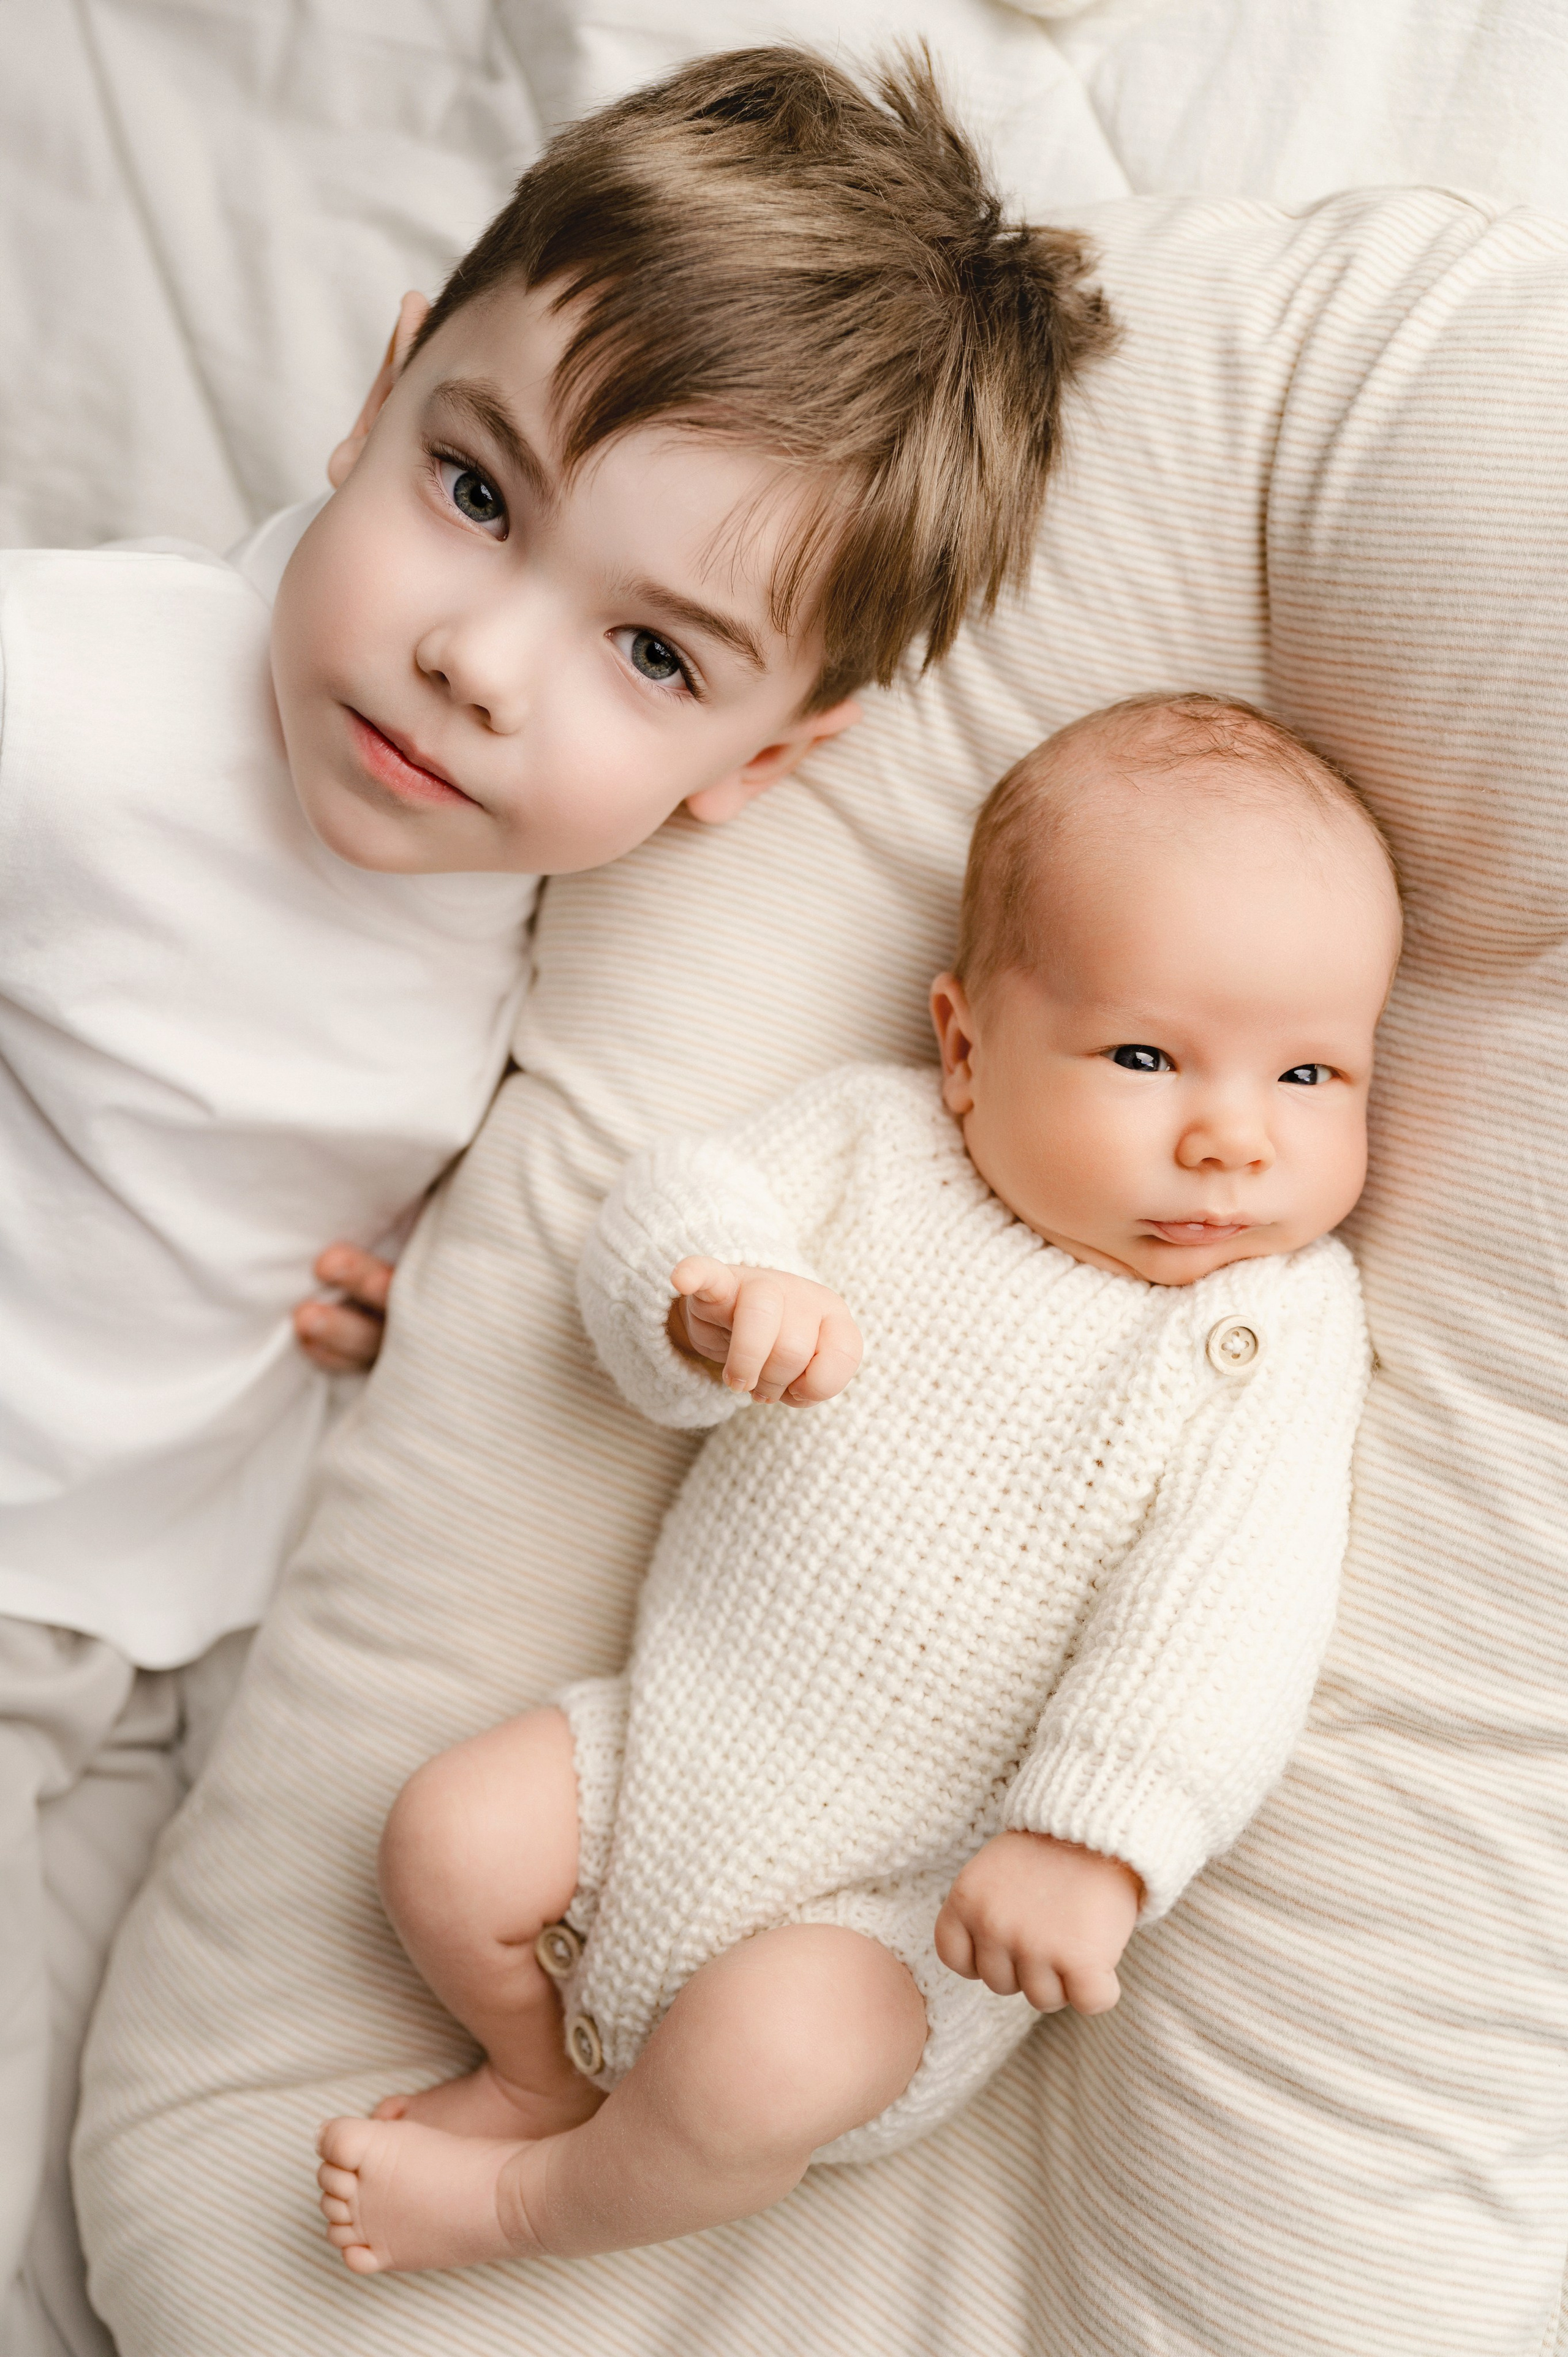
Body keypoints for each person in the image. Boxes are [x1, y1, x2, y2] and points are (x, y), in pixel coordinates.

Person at [0, 48, 1112, 2354]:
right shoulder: (86, 698)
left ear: (764, 769)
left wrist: (406, 1285)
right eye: (476, 490)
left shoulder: (559, 948)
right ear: (382, 388)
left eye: (650, 656)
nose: (475, 663)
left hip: (144, 1628)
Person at [316, 692, 1401, 2276]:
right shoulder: (877, 1150)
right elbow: (678, 1197)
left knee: (759, 2068)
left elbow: (1232, 1609)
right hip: (669, 1753)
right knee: (444, 1840)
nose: (1233, 1140)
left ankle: (527, 2205)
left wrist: (1093, 1840)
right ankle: (535, 2074)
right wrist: (710, 1292)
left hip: (909, 1913)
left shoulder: (1269, 1328)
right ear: (965, 1048)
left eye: (1312, 1076)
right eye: (1150, 1056)